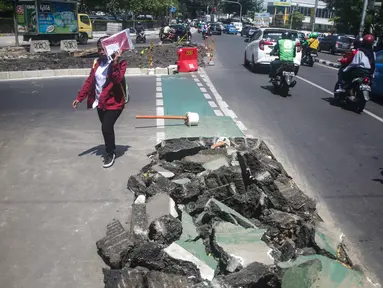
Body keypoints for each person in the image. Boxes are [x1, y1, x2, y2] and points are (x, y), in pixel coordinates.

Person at [72, 37, 127, 168]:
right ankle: (110, 146)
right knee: (106, 129)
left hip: (114, 102)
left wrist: (115, 62)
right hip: (100, 103)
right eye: (99, 49)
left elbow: (117, 78)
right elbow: (90, 81)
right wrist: (79, 98)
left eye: (103, 49)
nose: (101, 52)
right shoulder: (97, 63)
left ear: (110, 49)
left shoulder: (121, 63)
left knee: (106, 127)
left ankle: (110, 153)